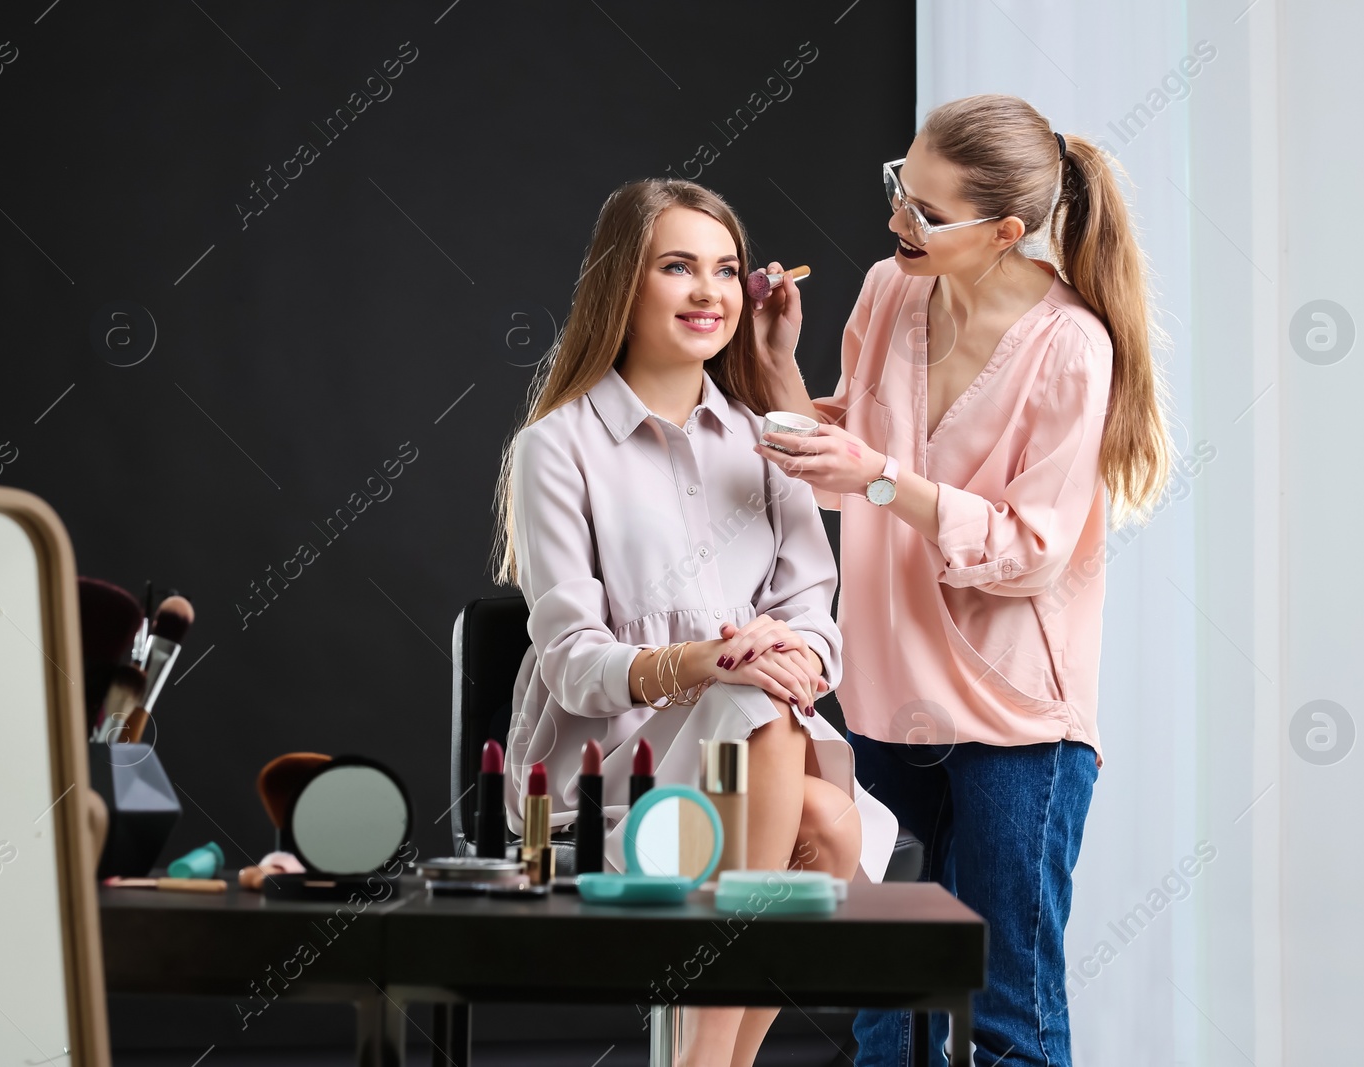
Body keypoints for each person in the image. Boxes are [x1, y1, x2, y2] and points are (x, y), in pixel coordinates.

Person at [742, 94, 1172, 1066]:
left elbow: (1030, 551)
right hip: (888, 702)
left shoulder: (1072, 347)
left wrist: (887, 479)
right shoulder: (889, 292)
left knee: (1009, 1013)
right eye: (901, 185)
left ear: (1006, 231)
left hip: (1016, 720)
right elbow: (837, 456)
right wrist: (774, 367)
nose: (900, 220)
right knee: (885, 1013)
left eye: (928, 213)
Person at [491, 178, 899, 1067]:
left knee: (826, 818)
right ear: (620, 284)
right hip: (610, 784)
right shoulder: (556, 447)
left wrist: (781, 649)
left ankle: (708, 1059)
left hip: (748, 764)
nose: (710, 292)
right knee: (763, 719)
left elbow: (813, 617)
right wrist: (709, 660)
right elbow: (571, 662)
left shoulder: (768, 440)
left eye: (725, 270)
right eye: (679, 267)